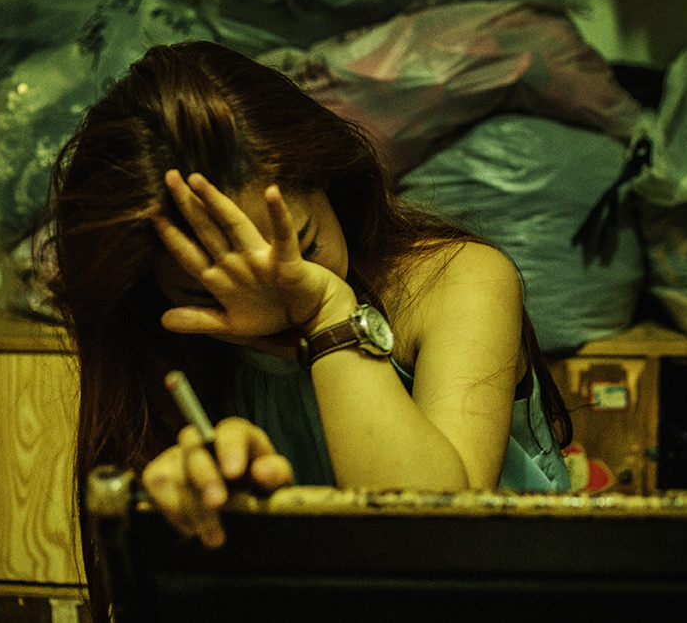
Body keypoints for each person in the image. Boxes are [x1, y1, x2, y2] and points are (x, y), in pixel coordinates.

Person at [44, 41, 572, 616]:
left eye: (302, 248)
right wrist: (201, 509)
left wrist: (328, 317)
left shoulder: (459, 281)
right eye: (211, 290)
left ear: (328, 178)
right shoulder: (165, 343)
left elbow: (432, 540)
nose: (276, 305)